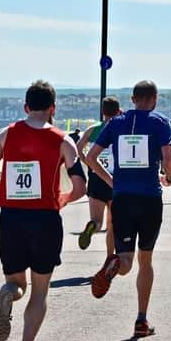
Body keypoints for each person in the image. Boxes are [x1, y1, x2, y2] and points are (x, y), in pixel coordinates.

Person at [0, 80, 86, 341]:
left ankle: (8, 294)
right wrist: (62, 199)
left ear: (26, 107)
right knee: (39, 291)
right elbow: (80, 186)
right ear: (53, 108)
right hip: (45, 219)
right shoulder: (63, 140)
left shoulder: (6, 135)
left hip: (11, 217)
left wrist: (5, 187)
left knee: (16, 283)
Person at [86, 80, 171, 338]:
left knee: (126, 261)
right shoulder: (160, 122)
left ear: (133, 99)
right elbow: (168, 158)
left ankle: (114, 262)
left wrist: (112, 181)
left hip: (122, 198)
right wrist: (168, 178)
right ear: (155, 99)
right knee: (145, 260)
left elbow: (90, 157)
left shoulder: (115, 123)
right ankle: (141, 320)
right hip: (149, 198)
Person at [76, 96, 121, 255]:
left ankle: (92, 227)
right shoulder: (119, 129)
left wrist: (88, 163)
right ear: (118, 111)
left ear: (102, 111)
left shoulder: (92, 129)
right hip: (115, 178)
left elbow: (79, 148)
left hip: (96, 177)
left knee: (97, 221)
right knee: (112, 224)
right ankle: (110, 257)